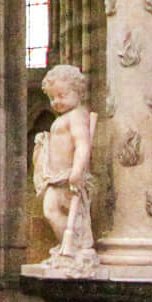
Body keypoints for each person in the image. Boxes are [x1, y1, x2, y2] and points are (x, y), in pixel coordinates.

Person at [34, 63, 98, 272]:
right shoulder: (63, 118)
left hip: (69, 177)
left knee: (62, 212)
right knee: (52, 210)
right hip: (56, 177)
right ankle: (66, 248)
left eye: (62, 95)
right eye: (52, 98)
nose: (56, 102)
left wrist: (78, 171)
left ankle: (74, 248)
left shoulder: (77, 115)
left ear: (78, 92)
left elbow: (82, 145)